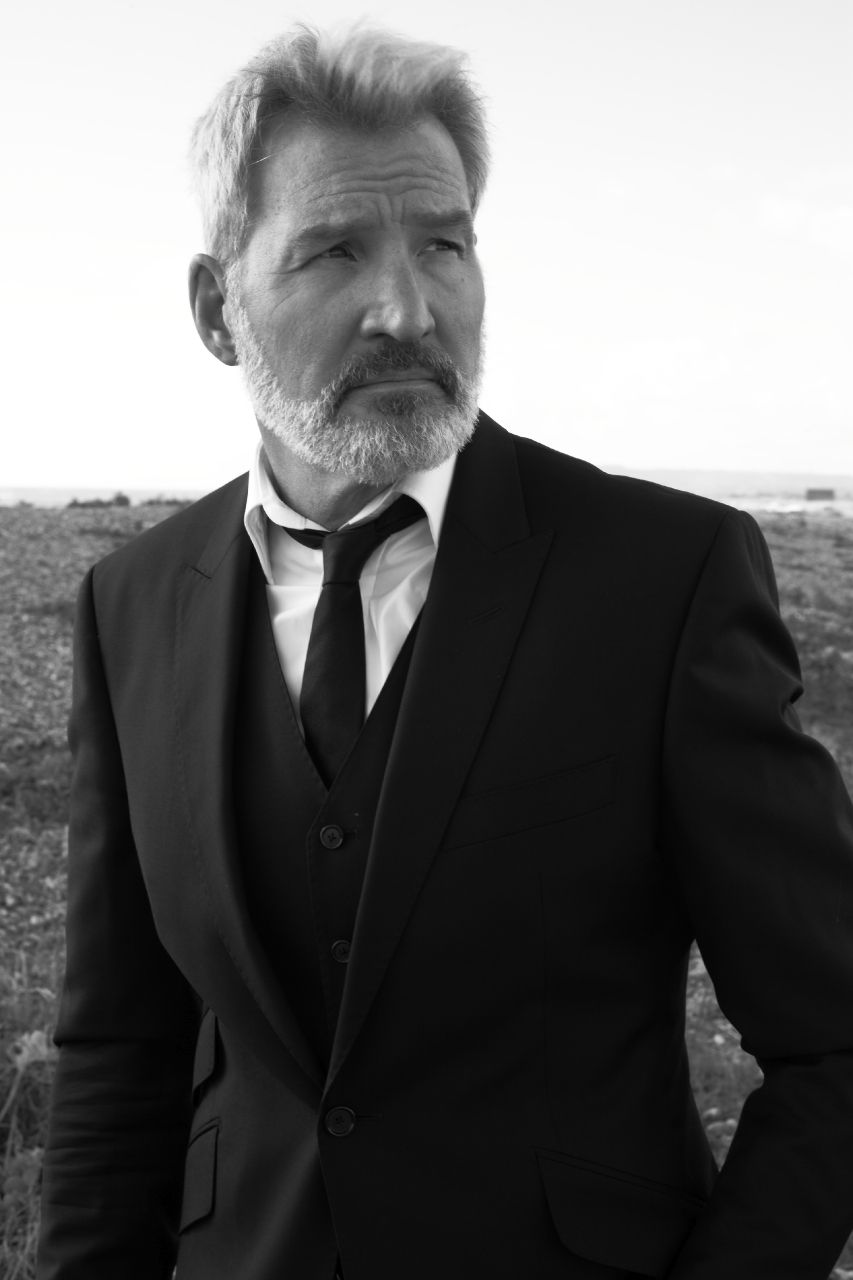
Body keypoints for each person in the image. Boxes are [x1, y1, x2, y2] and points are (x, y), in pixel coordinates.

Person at [37, 23, 853, 1280]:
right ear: (216, 310)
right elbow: (118, 1053)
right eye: (334, 251)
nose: (407, 309)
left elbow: (834, 1039)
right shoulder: (133, 604)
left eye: (444, 244)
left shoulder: (661, 576)